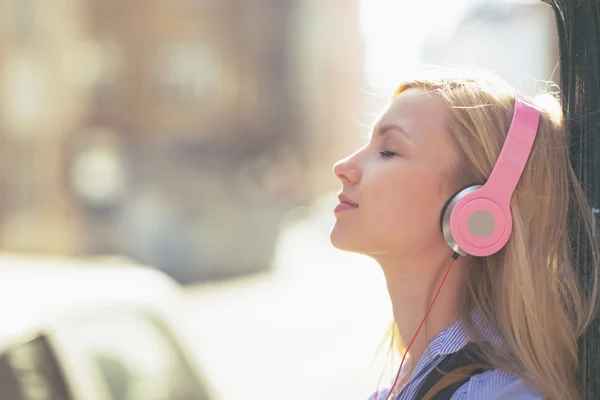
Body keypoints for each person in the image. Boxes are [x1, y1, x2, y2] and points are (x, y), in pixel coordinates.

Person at [330, 68, 599, 400]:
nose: (342, 166)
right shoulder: (407, 386)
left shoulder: (495, 394)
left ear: (477, 213)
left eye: (388, 151)